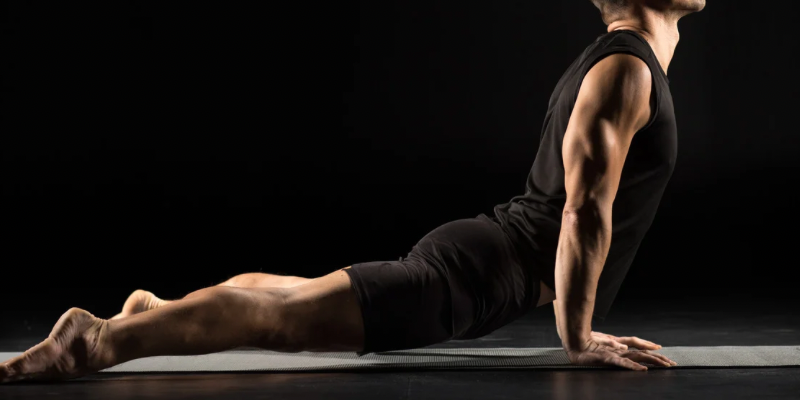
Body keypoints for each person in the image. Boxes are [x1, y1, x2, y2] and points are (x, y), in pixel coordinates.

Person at [0, 0, 705, 382]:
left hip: (485, 260)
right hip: (481, 274)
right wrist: (578, 339)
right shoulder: (626, 71)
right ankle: (92, 340)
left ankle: (161, 311)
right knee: (286, 321)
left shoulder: (626, 65)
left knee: (295, 297)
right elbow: (584, 209)